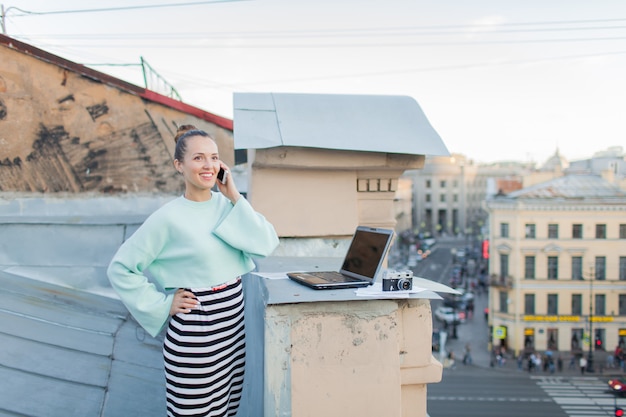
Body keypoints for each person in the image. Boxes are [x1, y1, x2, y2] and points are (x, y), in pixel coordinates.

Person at [107, 125, 279, 417]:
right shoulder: (167, 218)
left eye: (213, 157)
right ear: (179, 165)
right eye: (198, 158)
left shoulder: (228, 206)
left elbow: (266, 243)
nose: (208, 165)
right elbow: (120, 268)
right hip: (196, 339)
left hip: (233, 334)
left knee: (227, 411)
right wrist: (163, 304)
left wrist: (235, 195)